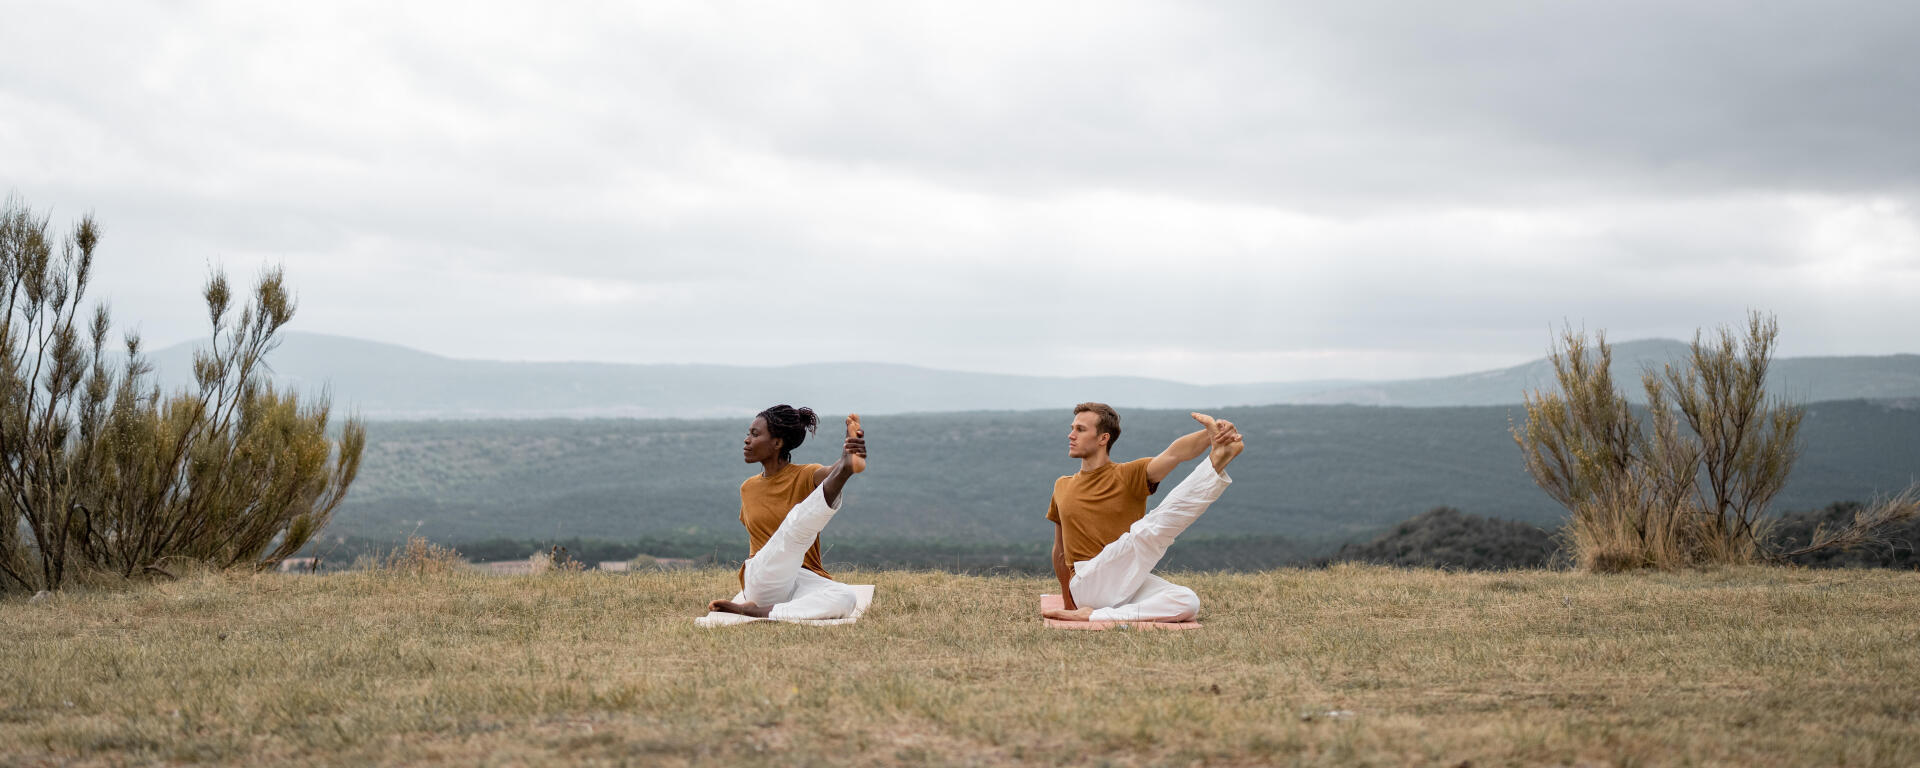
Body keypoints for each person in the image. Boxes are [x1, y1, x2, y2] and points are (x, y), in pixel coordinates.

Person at [1042, 403, 1245, 623]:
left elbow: (1175, 454)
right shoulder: (1062, 486)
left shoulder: (1128, 475)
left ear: (1103, 439)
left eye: (1080, 429)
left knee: (1187, 601)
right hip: (1087, 583)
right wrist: (1068, 601)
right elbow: (1059, 551)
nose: (1071, 435)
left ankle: (1097, 616)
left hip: (1126, 582)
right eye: (1072, 428)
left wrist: (1212, 434)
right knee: (1147, 532)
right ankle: (1216, 463)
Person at [705, 405, 866, 620]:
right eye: (748, 434)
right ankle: (762, 606)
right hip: (764, 579)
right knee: (793, 527)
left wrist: (847, 454)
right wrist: (845, 463)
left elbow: (829, 474)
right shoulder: (748, 488)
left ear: (777, 443)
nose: (747, 440)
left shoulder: (806, 474)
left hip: (803, 578)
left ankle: (759, 612)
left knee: (845, 596)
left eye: (755, 434)